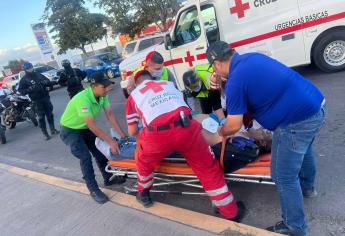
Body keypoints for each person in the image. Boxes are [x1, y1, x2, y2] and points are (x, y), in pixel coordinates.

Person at [206, 41, 326, 236]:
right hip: (316, 106)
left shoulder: (235, 80)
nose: (216, 72)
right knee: (304, 150)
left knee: (283, 175)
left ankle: (295, 227)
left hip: (296, 122)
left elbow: (233, 125)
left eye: (215, 68)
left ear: (217, 63)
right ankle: (308, 188)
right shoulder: (253, 58)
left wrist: (222, 131)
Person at [125, 69, 245, 222]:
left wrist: (143, 142)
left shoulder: (134, 96)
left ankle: (143, 193)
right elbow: (187, 109)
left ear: (137, 84)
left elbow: (133, 130)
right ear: (153, 78)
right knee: (207, 167)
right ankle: (230, 211)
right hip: (187, 127)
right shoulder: (169, 85)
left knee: (143, 160)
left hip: (158, 135)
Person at [60, 72, 127, 204]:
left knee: (100, 152)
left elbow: (110, 115)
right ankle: (93, 189)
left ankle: (108, 178)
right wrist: (111, 141)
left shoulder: (102, 96)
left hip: (84, 128)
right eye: (104, 87)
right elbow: (92, 126)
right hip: (70, 130)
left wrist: (123, 135)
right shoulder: (82, 99)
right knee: (85, 157)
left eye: (109, 86)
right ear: (93, 86)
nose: (108, 89)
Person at [18, 62, 59, 140]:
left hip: (45, 97)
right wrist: (29, 89)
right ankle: (45, 133)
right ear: (25, 70)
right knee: (41, 117)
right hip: (36, 100)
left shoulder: (38, 75)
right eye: (28, 68)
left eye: (31, 67)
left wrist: (46, 82)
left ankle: (53, 129)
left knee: (50, 114)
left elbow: (48, 82)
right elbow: (21, 91)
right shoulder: (24, 79)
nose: (30, 69)